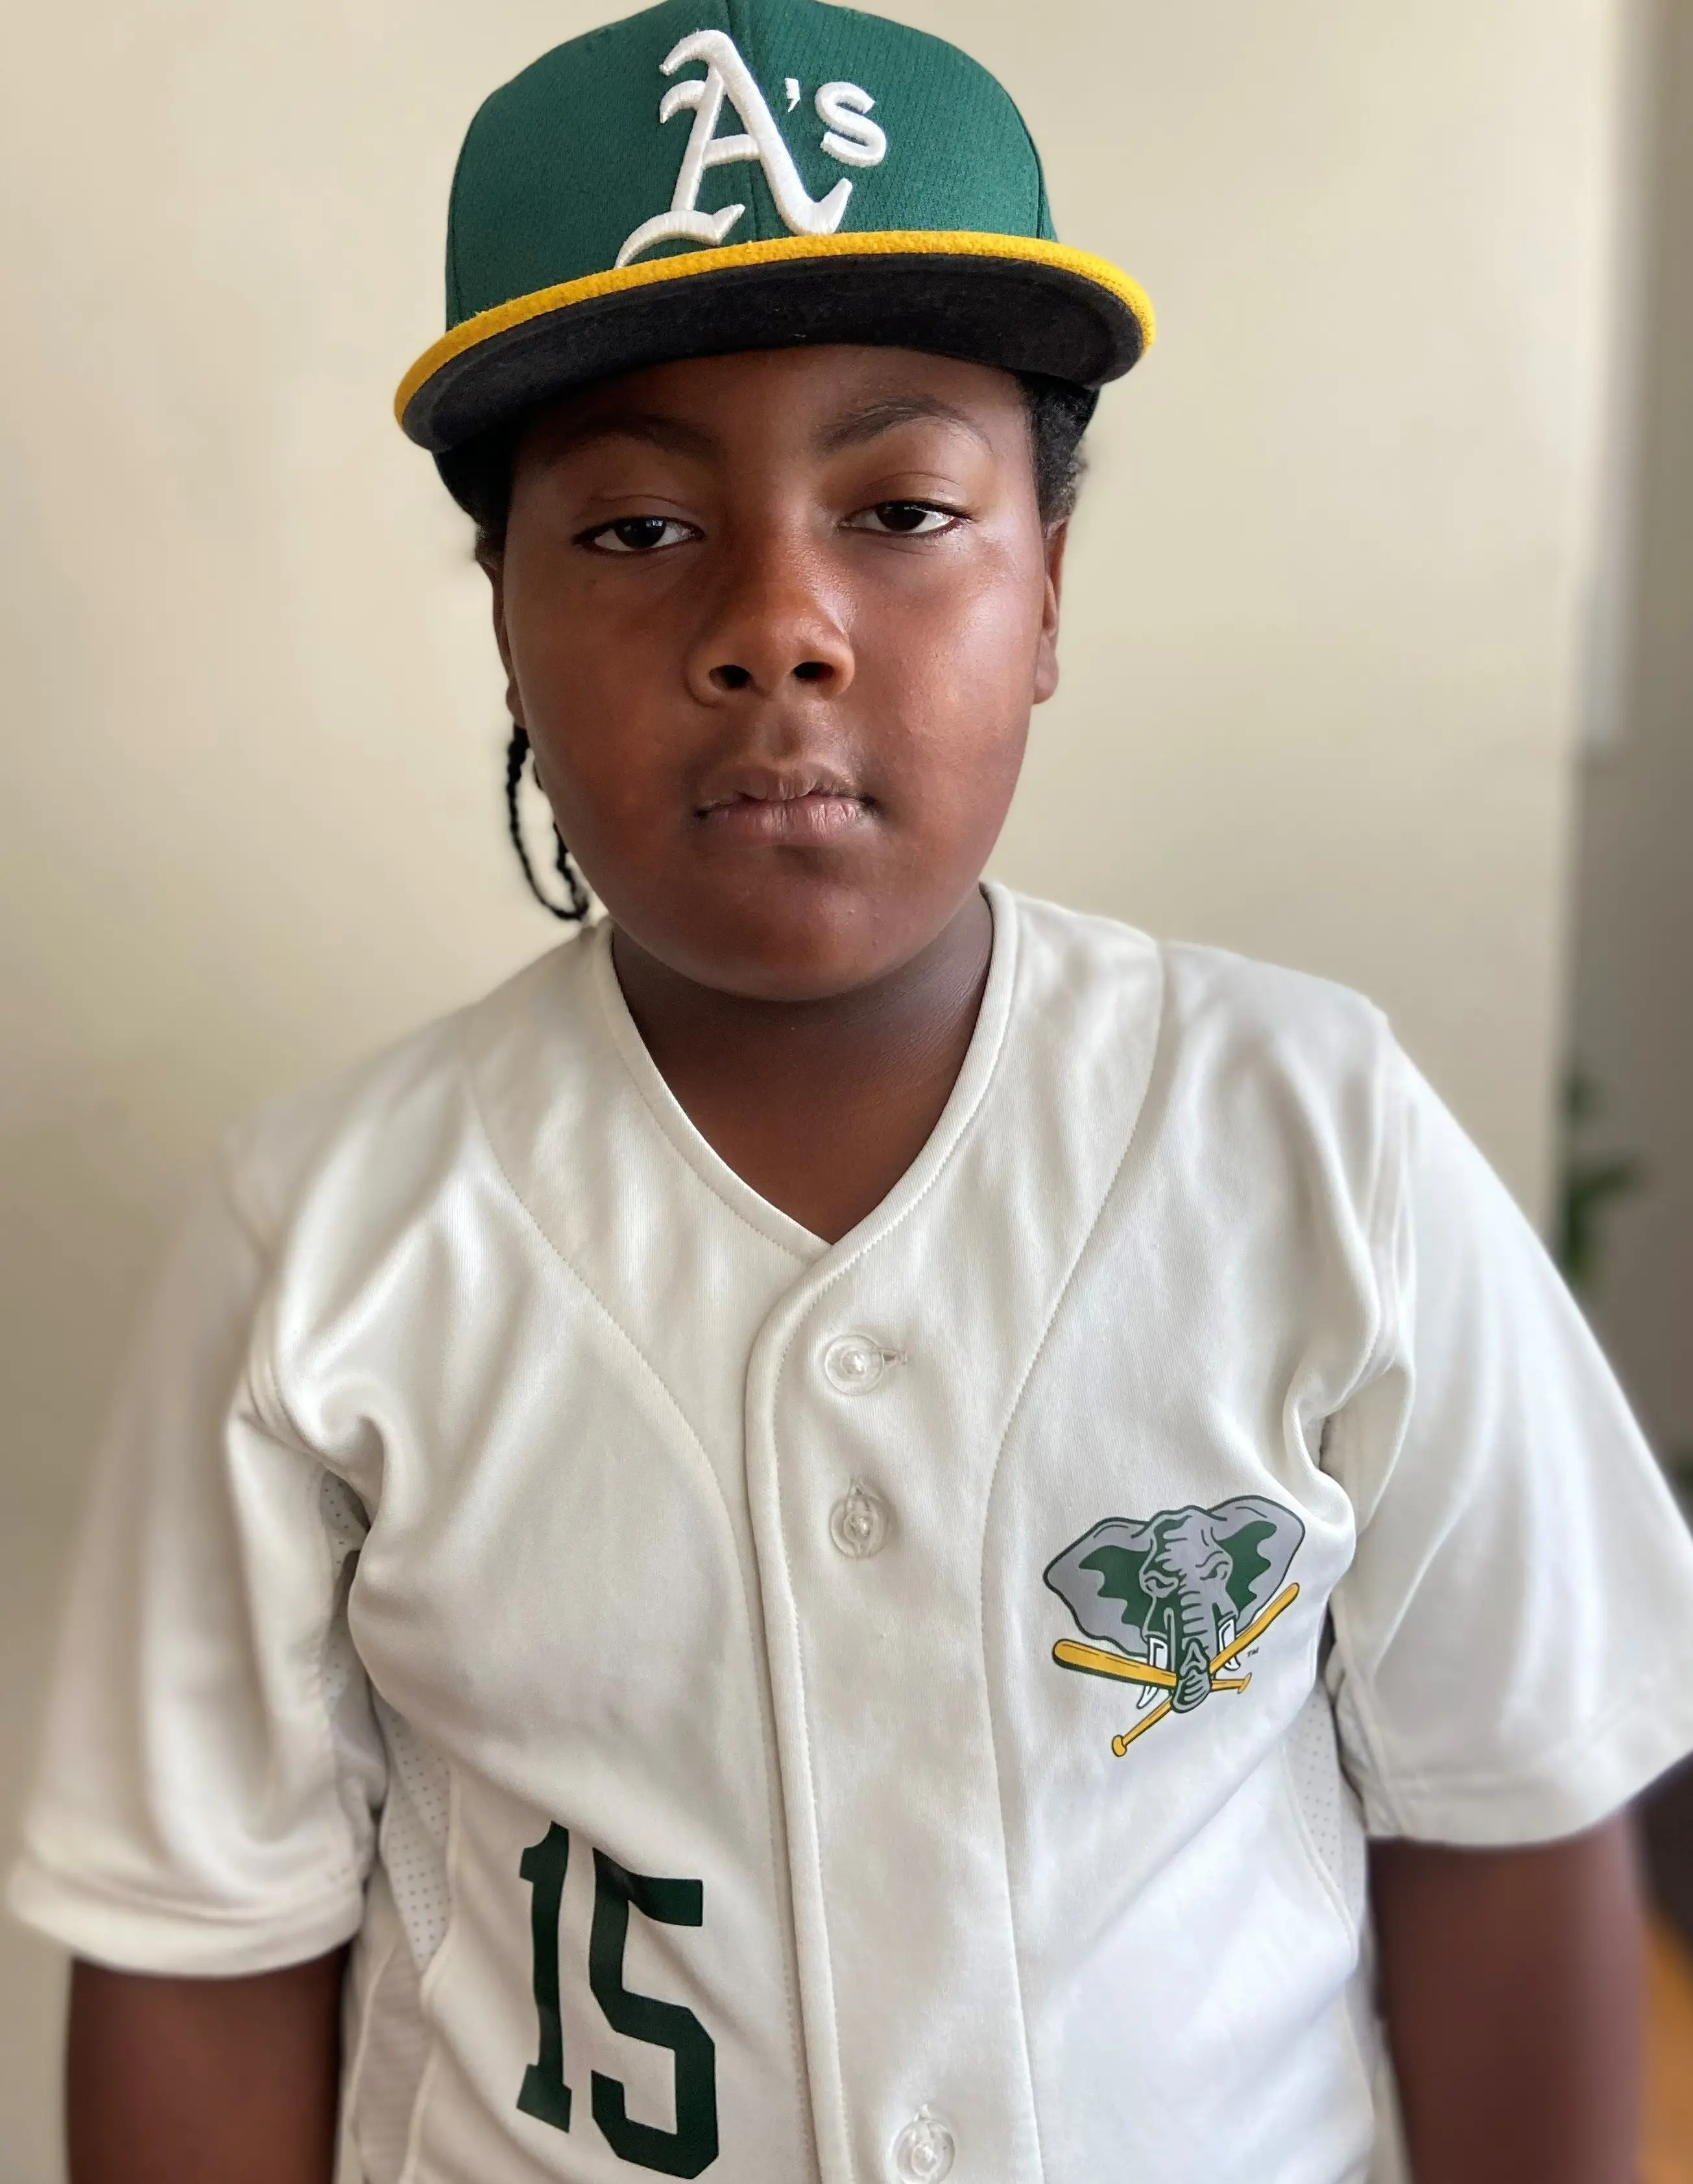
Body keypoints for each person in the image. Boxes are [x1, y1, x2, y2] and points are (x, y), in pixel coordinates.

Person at [12, 3, 1693, 2181]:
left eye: (901, 507)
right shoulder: (326, 1245)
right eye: (637, 529)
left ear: (1048, 586)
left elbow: (1507, 1827)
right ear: (505, 619)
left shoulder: (1314, 1135)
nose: (780, 624)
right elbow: (197, 1953)